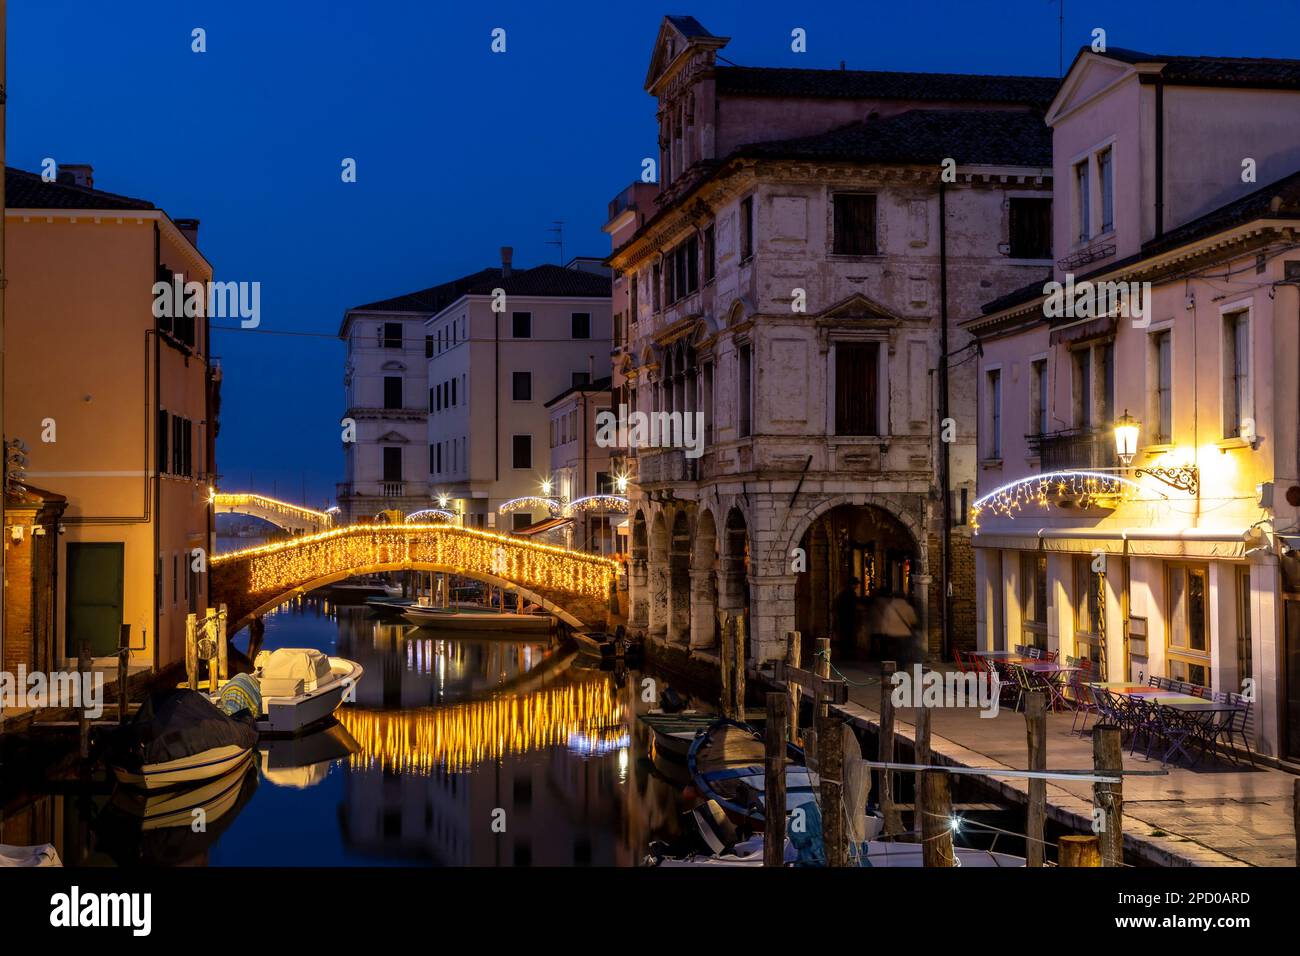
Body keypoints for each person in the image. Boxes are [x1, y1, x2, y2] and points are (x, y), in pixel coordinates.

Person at [871, 588, 919, 663]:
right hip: (904, 633)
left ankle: (892, 666)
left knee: (892, 651)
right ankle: (902, 668)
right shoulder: (908, 607)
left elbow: (886, 620)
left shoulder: (889, 608)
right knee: (902, 651)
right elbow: (913, 620)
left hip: (891, 633)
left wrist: (884, 631)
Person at [832, 578, 860, 654]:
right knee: (848, 635)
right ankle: (847, 652)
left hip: (843, 617)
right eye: (856, 584)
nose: (857, 586)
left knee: (844, 635)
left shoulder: (842, 592)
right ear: (853, 584)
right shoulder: (850, 593)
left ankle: (844, 652)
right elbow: (852, 605)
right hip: (847, 618)